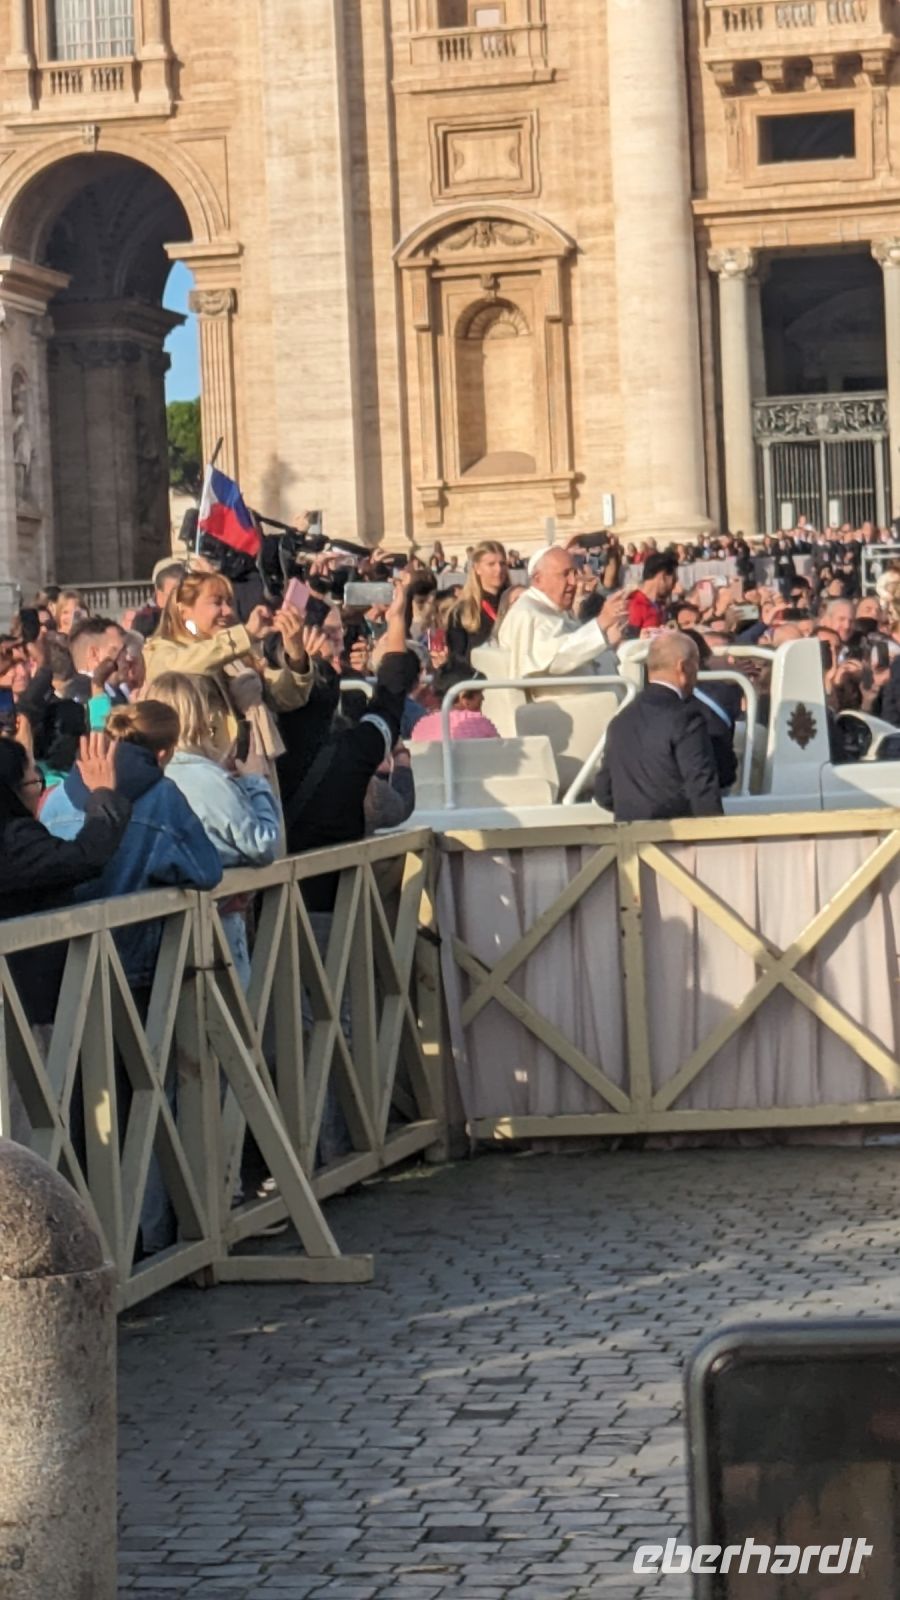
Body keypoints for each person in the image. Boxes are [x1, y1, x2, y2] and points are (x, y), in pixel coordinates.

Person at [41, 700, 223, 987]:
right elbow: (207, 871)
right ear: (163, 754)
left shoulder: (56, 798)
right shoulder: (163, 796)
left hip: (64, 971)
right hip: (137, 969)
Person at [146, 671, 282, 987]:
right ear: (198, 716)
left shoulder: (142, 773)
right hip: (214, 927)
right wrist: (255, 782)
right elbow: (262, 844)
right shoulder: (204, 778)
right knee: (231, 1023)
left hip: (158, 928)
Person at [143, 571, 316, 787]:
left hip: (251, 767)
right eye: (217, 603)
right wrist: (246, 635)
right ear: (184, 610)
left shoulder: (238, 654)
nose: (227, 610)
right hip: (204, 775)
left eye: (229, 602)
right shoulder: (162, 650)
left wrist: (296, 652)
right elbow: (186, 666)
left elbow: (288, 697)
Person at [0, 732, 131, 924]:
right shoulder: (14, 840)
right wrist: (103, 793)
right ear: (10, 792)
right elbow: (87, 857)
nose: (40, 794)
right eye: (34, 783)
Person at [594, 632, 723, 821]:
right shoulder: (686, 718)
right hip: (676, 839)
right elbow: (702, 788)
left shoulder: (620, 720)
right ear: (683, 667)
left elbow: (604, 794)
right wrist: (718, 837)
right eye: (697, 665)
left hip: (629, 839)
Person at [496, 546, 628, 681]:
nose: (573, 581)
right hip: (561, 700)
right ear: (538, 579)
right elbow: (557, 659)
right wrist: (601, 622)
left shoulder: (552, 609)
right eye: (565, 574)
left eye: (574, 574)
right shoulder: (528, 613)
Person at [446, 541, 509, 662]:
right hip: (478, 677)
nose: (499, 569)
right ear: (477, 568)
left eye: (502, 563)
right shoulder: (462, 611)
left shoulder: (515, 602)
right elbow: (457, 657)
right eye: (491, 564)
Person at [410, 662, 500, 742]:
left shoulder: (422, 726)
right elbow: (502, 755)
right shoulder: (480, 724)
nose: (482, 698)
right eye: (479, 692)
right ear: (463, 697)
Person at [625, 551, 677, 635]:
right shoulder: (635, 605)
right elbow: (627, 643)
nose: (673, 587)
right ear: (662, 576)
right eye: (674, 581)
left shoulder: (660, 605)